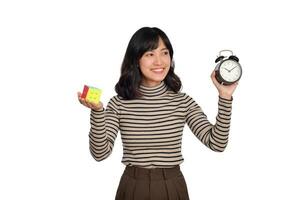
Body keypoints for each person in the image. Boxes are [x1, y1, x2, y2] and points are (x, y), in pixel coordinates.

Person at [77, 27, 238, 200]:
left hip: (172, 185)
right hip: (132, 187)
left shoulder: (182, 101)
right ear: (135, 59)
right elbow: (100, 154)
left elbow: (217, 143)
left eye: (164, 53)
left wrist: (225, 97)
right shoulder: (119, 103)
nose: (159, 61)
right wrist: (98, 112)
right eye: (150, 54)